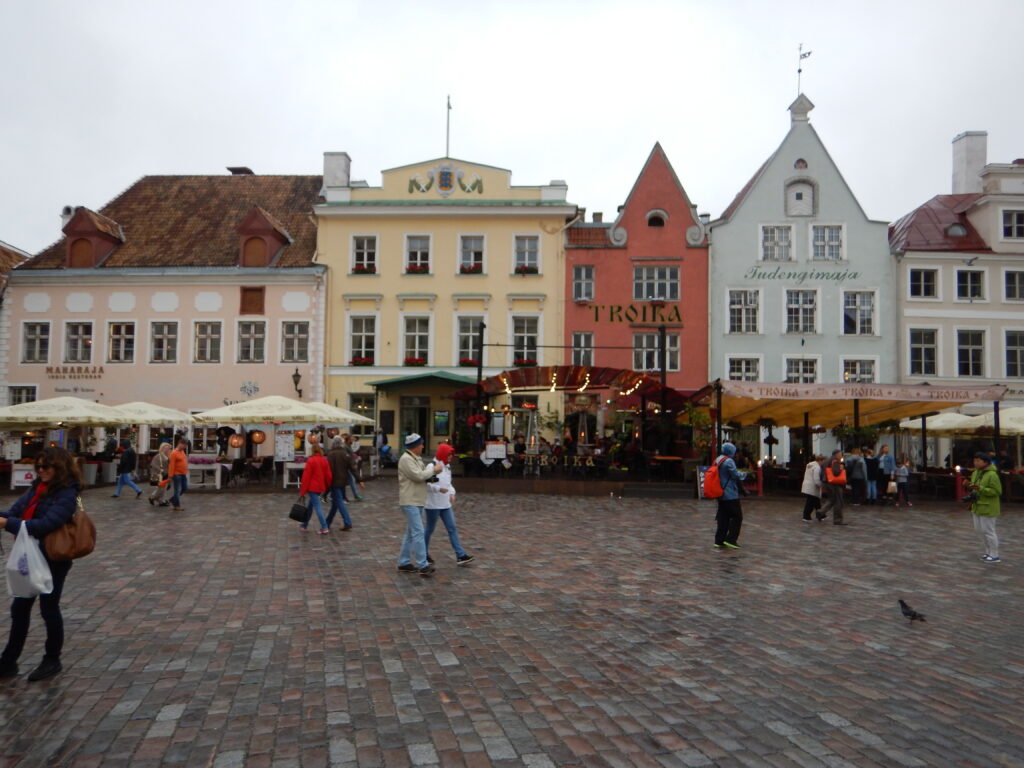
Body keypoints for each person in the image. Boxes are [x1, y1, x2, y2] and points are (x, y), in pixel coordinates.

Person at [0, 447, 81, 681]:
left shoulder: (67, 493)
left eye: (46, 467)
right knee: (20, 608)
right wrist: (5, 517)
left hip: (54, 558)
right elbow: (16, 512)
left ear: (60, 467)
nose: (41, 471)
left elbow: (47, 524)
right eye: (39, 466)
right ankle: (8, 661)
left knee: (49, 608)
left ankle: (52, 659)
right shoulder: (38, 488)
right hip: (31, 554)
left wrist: (7, 523)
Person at [396, 433, 443, 577]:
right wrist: (433, 470)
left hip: (417, 499)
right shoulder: (406, 459)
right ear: (415, 446)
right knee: (418, 532)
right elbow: (418, 476)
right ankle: (423, 564)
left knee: (411, 533)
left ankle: (403, 562)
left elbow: (423, 475)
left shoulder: (415, 458)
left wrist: (431, 476)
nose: (423, 446)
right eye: (421, 444)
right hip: (410, 500)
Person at [424, 443, 474, 566]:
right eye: (449, 454)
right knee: (429, 529)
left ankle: (460, 555)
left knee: (452, 528)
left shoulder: (447, 466)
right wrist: (438, 489)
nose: (451, 457)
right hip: (433, 504)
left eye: (451, 454)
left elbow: (448, 483)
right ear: (443, 454)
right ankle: (423, 553)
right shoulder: (431, 466)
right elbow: (425, 483)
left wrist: (452, 493)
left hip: (445, 504)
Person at [967, 452, 1002, 563]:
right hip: (977, 505)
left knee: (989, 531)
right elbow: (974, 488)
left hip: (988, 506)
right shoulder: (975, 473)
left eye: (978, 461)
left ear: (985, 462)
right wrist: (969, 486)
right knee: (980, 531)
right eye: (974, 460)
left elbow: (997, 491)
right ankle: (988, 552)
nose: (975, 463)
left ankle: (995, 554)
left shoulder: (992, 475)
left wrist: (980, 488)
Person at [713, 442, 745, 549]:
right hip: (730, 493)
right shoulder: (729, 461)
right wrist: (744, 474)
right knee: (737, 516)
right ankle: (731, 539)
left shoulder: (718, 459)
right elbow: (735, 475)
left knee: (723, 517)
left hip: (720, 492)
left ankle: (719, 540)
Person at [298, 443, 332, 534]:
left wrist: (302, 491)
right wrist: (329, 486)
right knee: (310, 506)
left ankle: (324, 527)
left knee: (317, 507)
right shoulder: (324, 460)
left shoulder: (311, 461)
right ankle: (304, 524)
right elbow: (328, 475)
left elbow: (306, 477)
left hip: (312, 487)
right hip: (320, 487)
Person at [325, 436, 353, 531]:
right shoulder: (345, 453)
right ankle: (327, 522)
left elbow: (329, 470)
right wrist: (359, 479)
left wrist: (327, 481)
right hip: (343, 481)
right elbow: (352, 467)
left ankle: (348, 521)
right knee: (335, 503)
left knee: (339, 502)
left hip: (334, 481)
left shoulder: (331, 454)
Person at [819, 449, 848, 525]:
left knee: (832, 499)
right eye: (841, 454)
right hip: (835, 483)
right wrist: (841, 469)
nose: (841, 456)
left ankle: (821, 512)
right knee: (838, 501)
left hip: (827, 482)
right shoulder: (835, 461)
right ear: (837, 454)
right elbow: (836, 472)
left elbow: (821, 471)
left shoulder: (826, 460)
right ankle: (838, 520)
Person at [340, 433, 365, 502]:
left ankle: (355, 495)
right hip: (347, 467)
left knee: (351, 481)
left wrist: (356, 457)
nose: (352, 441)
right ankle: (354, 496)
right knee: (349, 481)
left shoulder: (348, 446)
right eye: (351, 440)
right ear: (347, 440)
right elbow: (347, 456)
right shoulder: (345, 447)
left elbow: (351, 454)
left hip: (349, 466)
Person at [801, 454, 826, 522]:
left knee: (816, 502)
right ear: (821, 460)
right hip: (812, 487)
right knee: (810, 502)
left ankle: (821, 515)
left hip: (807, 485)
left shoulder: (810, 465)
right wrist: (822, 485)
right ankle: (806, 516)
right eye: (824, 461)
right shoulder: (817, 468)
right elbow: (816, 479)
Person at [148, 442, 172, 507]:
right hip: (159, 475)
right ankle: (153, 498)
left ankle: (161, 501)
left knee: (164, 488)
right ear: (162, 448)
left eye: (168, 448)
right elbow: (153, 465)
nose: (167, 449)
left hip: (166, 475)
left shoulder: (168, 456)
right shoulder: (158, 456)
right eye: (166, 448)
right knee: (161, 488)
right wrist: (161, 470)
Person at [168, 439, 189, 512]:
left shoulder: (182, 451)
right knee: (177, 490)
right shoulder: (174, 453)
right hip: (177, 474)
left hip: (183, 473)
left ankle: (173, 499)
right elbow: (172, 465)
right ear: (180, 444)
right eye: (185, 445)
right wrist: (170, 476)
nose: (185, 447)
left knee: (185, 488)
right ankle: (177, 505)